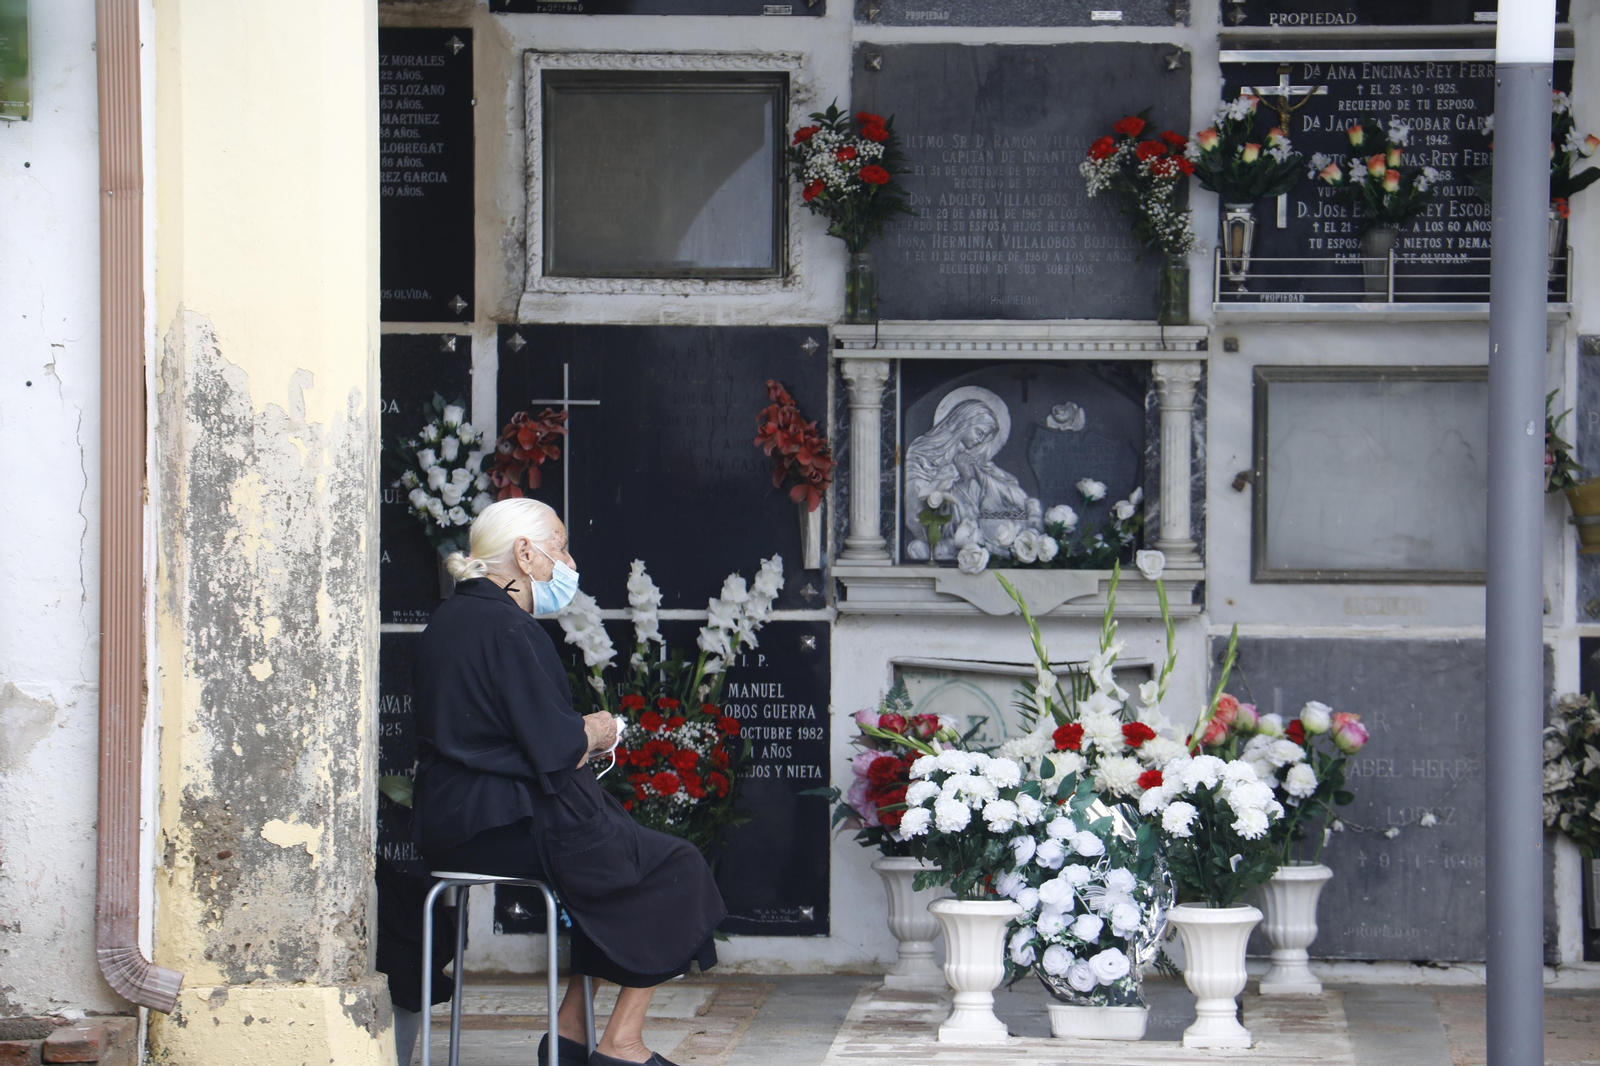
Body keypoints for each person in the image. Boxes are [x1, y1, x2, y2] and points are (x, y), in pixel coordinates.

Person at [414, 498, 723, 1066]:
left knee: (613, 868)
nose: (570, 561)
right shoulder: (509, 628)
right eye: (559, 546)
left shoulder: (451, 618)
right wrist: (598, 729)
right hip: (503, 823)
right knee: (673, 866)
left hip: (453, 822)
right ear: (524, 554)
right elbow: (555, 748)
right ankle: (622, 1044)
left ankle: (571, 1035)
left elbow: (501, 731)